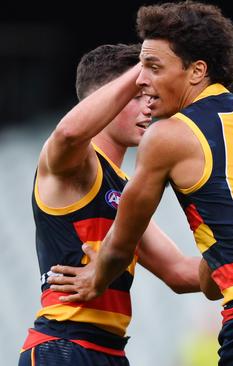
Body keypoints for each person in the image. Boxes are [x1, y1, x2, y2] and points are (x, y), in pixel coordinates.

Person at [51, 2, 233, 365]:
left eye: (153, 67)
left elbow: (120, 244)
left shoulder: (170, 136)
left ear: (196, 72)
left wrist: (95, 279)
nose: (141, 80)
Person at [20, 44, 201, 365]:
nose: (149, 107)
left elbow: (181, 274)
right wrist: (149, 64)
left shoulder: (126, 189)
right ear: (105, 100)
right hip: (63, 345)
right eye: (136, 96)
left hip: (110, 352)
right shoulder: (76, 165)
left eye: (150, 96)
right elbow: (69, 133)